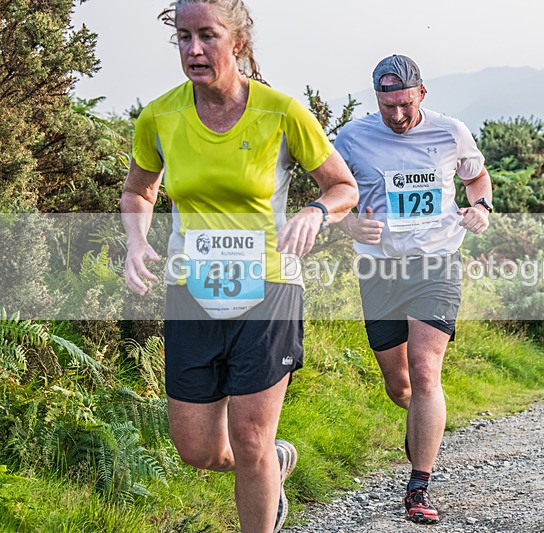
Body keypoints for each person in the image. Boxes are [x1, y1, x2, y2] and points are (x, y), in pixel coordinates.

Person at [120, 1, 358, 531]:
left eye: (207, 35)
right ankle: (273, 466)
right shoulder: (160, 115)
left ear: (238, 42)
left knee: (251, 439)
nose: (194, 49)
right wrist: (136, 241)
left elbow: (343, 186)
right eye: (183, 37)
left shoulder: (282, 112)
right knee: (198, 449)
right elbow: (139, 191)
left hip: (270, 286)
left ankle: (261, 479)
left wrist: (316, 212)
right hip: (190, 291)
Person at [334, 54, 492, 524]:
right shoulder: (352, 137)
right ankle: (421, 419)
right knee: (400, 385)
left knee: (425, 372)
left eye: (405, 104)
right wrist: (349, 227)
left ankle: (419, 485)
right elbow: (333, 194)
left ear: (421, 94)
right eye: (388, 107)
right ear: (376, 100)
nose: (398, 116)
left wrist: (481, 207)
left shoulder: (450, 132)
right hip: (380, 270)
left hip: (436, 262)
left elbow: (476, 177)